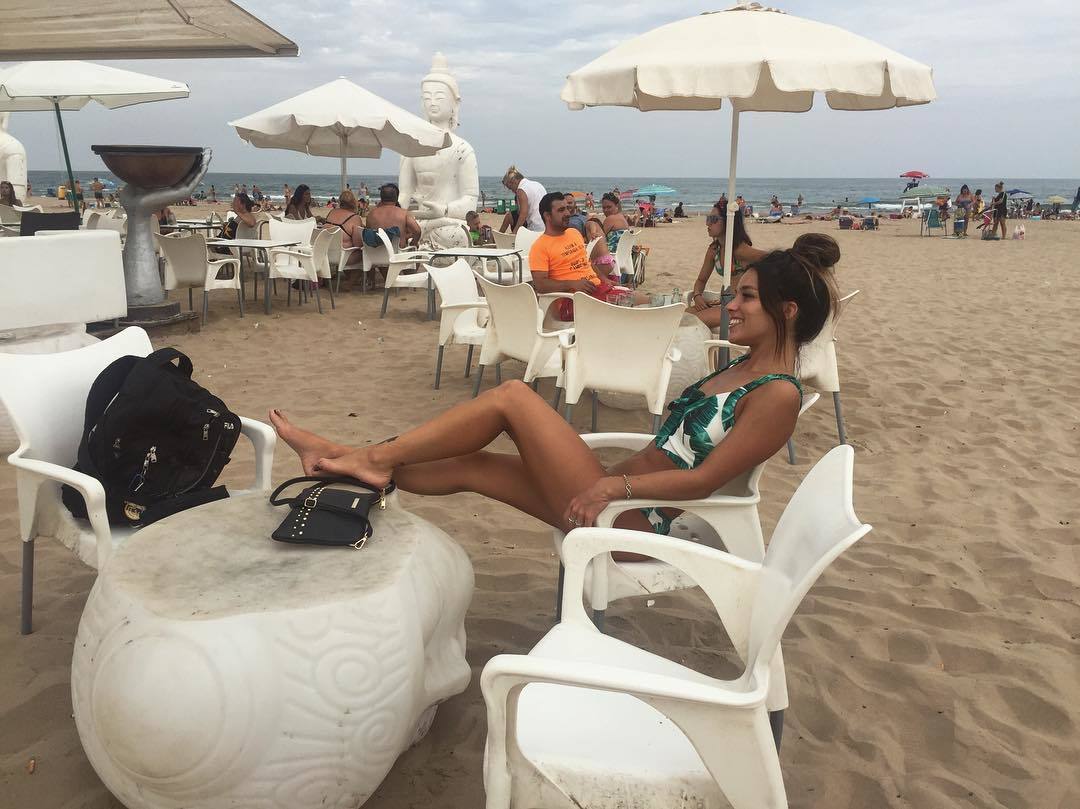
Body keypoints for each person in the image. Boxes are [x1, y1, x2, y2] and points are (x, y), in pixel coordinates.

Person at [268, 240, 837, 545]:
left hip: (635, 525)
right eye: (736, 295)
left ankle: (365, 459)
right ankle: (342, 458)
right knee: (472, 466)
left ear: (787, 311)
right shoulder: (741, 368)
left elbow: (703, 481)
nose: (732, 306)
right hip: (608, 490)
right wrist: (608, 480)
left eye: (747, 297)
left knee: (514, 398)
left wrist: (612, 485)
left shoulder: (776, 396)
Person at [688, 201, 771, 329]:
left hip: (739, 307)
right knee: (682, 314)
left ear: (728, 222)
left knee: (690, 320)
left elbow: (775, 259)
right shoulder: (714, 250)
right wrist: (697, 296)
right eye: (708, 218)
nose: (708, 223)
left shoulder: (740, 250)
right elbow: (701, 280)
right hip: (724, 302)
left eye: (713, 219)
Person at [323, 188, 365, 289]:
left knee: (347, 248)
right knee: (366, 253)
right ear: (353, 203)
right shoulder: (355, 218)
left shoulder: (331, 213)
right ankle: (350, 283)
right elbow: (358, 244)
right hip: (344, 256)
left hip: (326, 254)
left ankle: (347, 278)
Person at [364, 183, 421, 250]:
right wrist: (414, 243)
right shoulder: (403, 213)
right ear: (396, 198)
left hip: (375, 254)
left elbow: (368, 234)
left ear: (381, 198)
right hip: (398, 254)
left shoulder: (371, 214)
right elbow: (417, 231)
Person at [502, 166, 546, 232]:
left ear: (513, 182)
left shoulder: (521, 189)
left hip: (535, 228)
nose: (513, 191)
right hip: (546, 226)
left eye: (510, 188)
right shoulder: (538, 185)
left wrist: (515, 232)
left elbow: (523, 214)